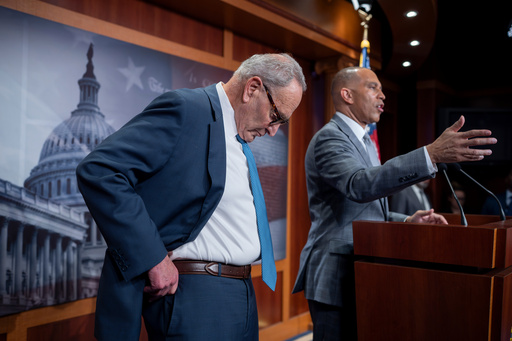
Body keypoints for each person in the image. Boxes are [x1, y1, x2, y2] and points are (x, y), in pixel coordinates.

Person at [76, 53, 307, 341]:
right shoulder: (188, 109)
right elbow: (100, 170)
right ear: (252, 88)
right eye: (275, 116)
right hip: (198, 297)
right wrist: (153, 257)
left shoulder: (239, 134)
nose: (274, 130)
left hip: (243, 291)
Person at [292, 66, 496, 341]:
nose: (383, 95)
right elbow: (359, 185)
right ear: (346, 94)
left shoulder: (366, 143)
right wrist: (430, 155)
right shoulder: (330, 138)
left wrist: (408, 220)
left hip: (364, 270)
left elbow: (366, 211)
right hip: (336, 275)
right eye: (373, 87)